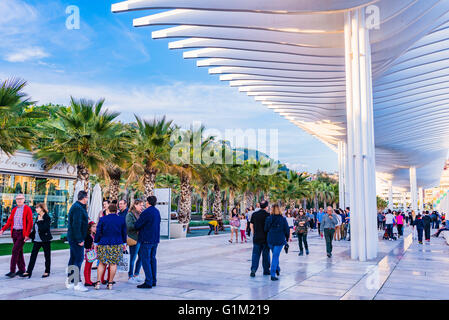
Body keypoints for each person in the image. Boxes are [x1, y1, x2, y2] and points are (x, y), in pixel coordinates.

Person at [94, 203, 127, 290]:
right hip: (117, 244)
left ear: (108, 210)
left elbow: (98, 232)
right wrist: (124, 243)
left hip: (104, 243)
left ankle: (97, 283)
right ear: (116, 211)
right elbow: (124, 233)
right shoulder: (121, 219)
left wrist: (96, 243)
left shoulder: (102, 219)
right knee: (113, 264)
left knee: (101, 263)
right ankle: (110, 283)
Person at [0, 194, 33, 278]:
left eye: (20, 199)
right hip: (14, 232)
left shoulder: (27, 209)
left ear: (24, 199)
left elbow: (30, 222)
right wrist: (3, 229)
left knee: (15, 250)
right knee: (19, 251)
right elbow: (9, 221)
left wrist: (27, 234)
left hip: (22, 233)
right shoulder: (14, 209)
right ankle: (22, 270)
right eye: (17, 199)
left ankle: (12, 271)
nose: (19, 200)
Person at [134, 195, 161, 289]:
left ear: (148, 202)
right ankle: (153, 280)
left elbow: (137, 225)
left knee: (145, 260)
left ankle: (148, 281)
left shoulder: (146, 212)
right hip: (155, 239)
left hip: (146, 239)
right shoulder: (157, 212)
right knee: (152, 259)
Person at [20, 203, 53, 278]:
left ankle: (47, 271)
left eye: (37, 208)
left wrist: (40, 221)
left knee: (47, 256)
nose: (36, 209)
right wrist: (29, 236)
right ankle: (28, 272)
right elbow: (35, 229)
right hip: (37, 240)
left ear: (42, 208)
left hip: (45, 240)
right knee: (33, 256)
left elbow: (44, 228)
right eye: (36, 208)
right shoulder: (37, 217)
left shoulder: (47, 217)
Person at [66, 190, 89, 291]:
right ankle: (77, 283)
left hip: (74, 237)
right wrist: (79, 239)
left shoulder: (78, 207)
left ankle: (70, 281)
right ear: (84, 198)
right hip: (76, 238)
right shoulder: (78, 208)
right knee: (78, 260)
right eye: (87, 197)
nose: (87, 199)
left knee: (73, 259)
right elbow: (76, 225)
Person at [264, 204, 289, 281]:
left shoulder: (269, 218)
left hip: (271, 240)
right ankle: (273, 274)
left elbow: (265, 229)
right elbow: (287, 230)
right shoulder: (283, 219)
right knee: (275, 256)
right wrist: (287, 239)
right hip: (279, 240)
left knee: (275, 255)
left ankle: (277, 268)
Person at [249, 201, 271, 277]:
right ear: (266, 207)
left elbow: (251, 225)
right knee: (266, 254)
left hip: (257, 237)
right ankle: (266, 270)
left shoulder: (254, 214)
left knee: (255, 254)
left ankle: (253, 269)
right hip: (265, 238)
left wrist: (254, 233)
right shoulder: (268, 215)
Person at [126, 200, 143, 283]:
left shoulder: (141, 214)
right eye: (140, 205)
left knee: (141, 257)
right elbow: (129, 226)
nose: (142, 207)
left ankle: (136, 274)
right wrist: (139, 226)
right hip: (134, 238)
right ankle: (130, 276)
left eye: (142, 205)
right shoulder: (130, 214)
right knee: (132, 258)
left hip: (141, 238)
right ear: (135, 205)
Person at [83, 222, 97, 286]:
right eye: (93, 227)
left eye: (95, 227)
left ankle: (89, 280)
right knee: (87, 267)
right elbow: (86, 245)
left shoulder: (93, 235)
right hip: (89, 252)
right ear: (89, 228)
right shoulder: (87, 235)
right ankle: (87, 281)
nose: (95, 228)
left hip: (92, 252)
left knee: (89, 266)